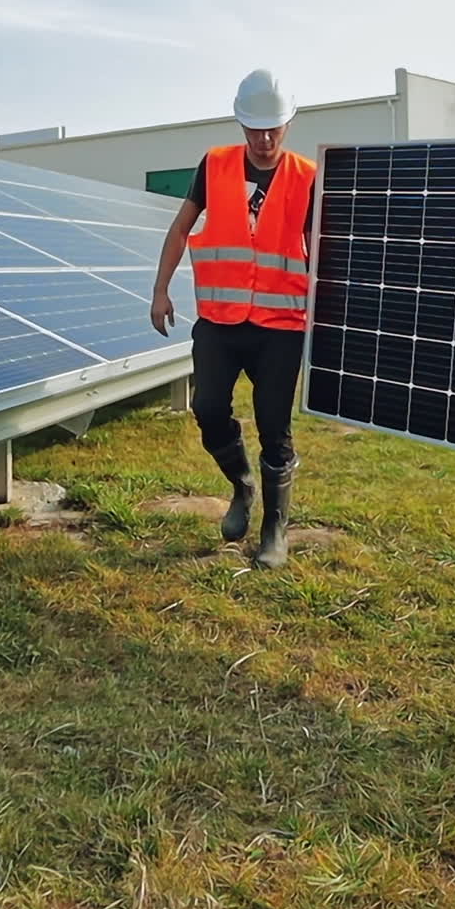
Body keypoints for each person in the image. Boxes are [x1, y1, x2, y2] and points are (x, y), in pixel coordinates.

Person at [150, 70, 316, 569]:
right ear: (241, 123)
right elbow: (181, 228)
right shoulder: (215, 165)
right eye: (255, 130)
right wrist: (160, 290)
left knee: (274, 426)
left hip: (280, 325)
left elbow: (325, 250)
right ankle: (242, 485)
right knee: (207, 408)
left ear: (288, 123)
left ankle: (274, 529)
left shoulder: (308, 176)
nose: (264, 140)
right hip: (220, 321)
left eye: (273, 129)